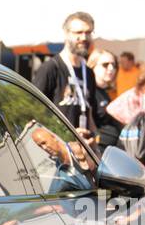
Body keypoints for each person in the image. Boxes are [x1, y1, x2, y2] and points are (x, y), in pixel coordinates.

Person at [32, 11, 100, 145]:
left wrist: (94, 141)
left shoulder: (89, 73)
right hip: (56, 148)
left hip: (82, 149)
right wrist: (65, 135)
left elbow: (89, 112)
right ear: (66, 34)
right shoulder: (51, 68)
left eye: (88, 32)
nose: (84, 37)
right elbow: (35, 112)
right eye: (78, 32)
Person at [88, 48, 122, 151]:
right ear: (93, 66)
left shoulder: (105, 92)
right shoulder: (89, 91)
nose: (111, 68)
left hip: (111, 149)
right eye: (105, 65)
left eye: (114, 65)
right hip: (97, 150)